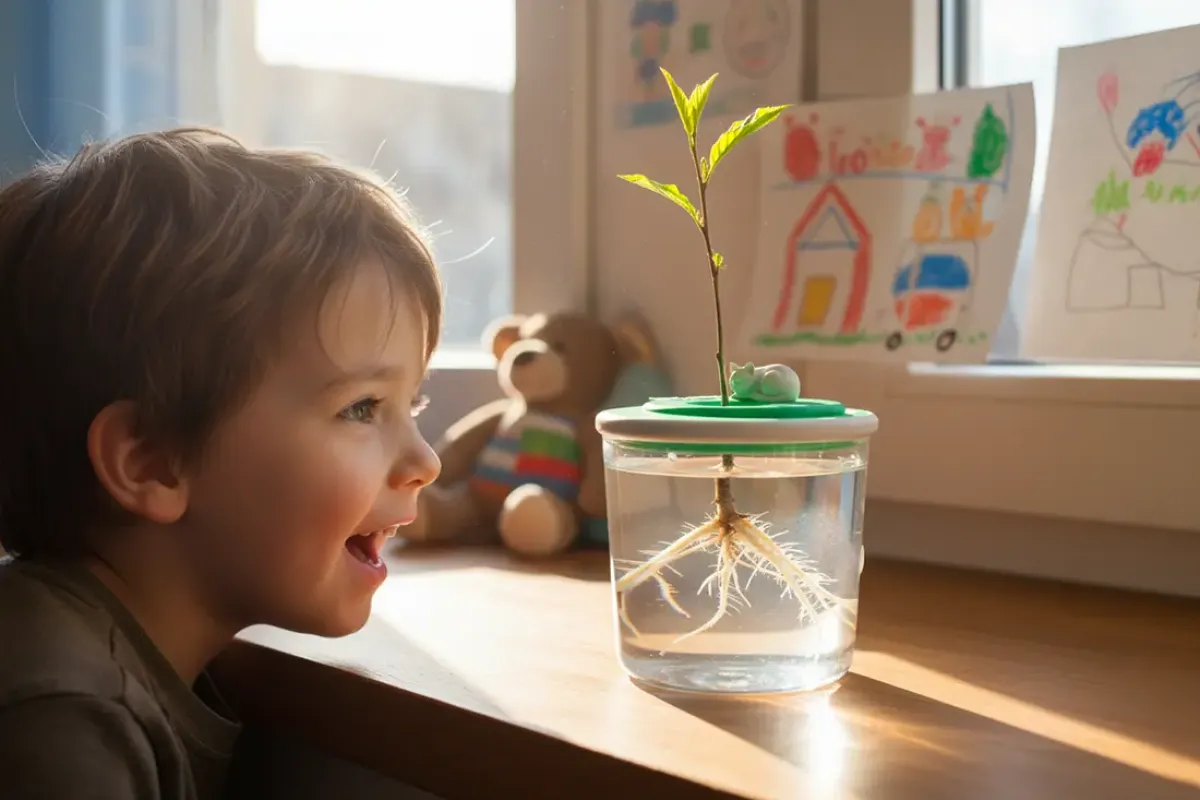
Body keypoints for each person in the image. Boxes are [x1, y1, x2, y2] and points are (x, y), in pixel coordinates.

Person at [0, 127, 443, 799]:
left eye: (415, 402)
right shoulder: (60, 718)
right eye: (362, 407)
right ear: (152, 461)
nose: (426, 461)